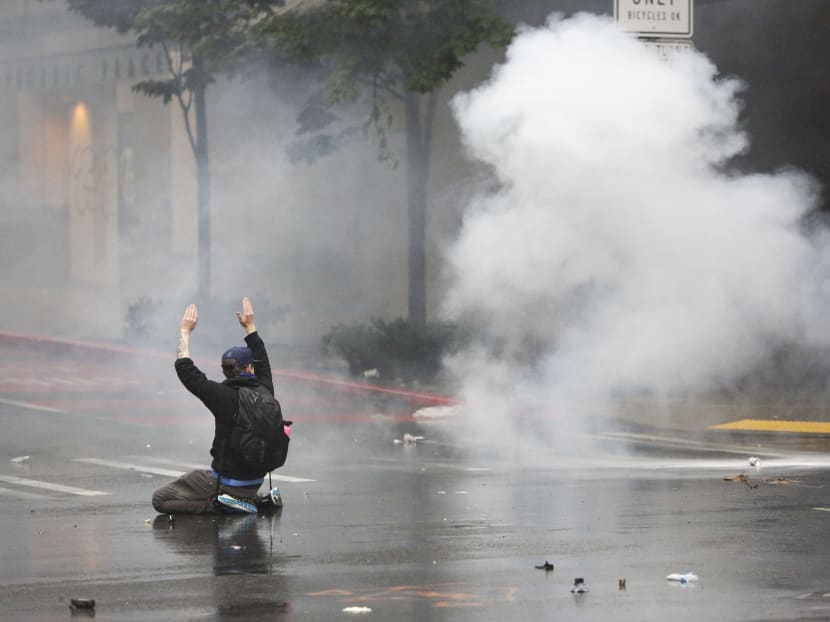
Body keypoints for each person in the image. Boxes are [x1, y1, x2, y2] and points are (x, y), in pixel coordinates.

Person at [152, 297, 283, 515]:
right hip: (255, 481)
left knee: (161, 499)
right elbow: (263, 359)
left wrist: (184, 331)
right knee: (199, 478)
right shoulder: (264, 388)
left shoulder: (222, 396)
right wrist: (250, 326)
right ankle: (257, 502)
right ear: (250, 368)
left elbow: (187, 371)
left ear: (225, 371)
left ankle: (219, 504)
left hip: (227, 483)